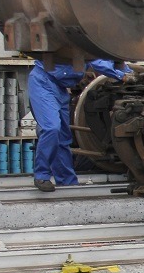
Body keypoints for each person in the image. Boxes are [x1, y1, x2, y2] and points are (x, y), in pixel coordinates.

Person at [28, 58, 129, 192]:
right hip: (43, 82)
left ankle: (67, 182)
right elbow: (96, 60)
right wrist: (123, 76)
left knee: (63, 137)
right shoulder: (81, 46)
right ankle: (41, 175)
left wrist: (128, 71)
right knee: (52, 128)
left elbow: (105, 57)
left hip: (60, 87)